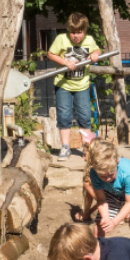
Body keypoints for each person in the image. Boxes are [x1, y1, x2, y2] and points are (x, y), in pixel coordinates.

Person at [46, 12, 101, 161]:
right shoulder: (61, 39)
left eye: (79, 32)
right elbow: (50, 54)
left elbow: (97, 50)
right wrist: (65, 63)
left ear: (84, 31)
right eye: (73, 32)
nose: (76, 36)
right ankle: (65, 147)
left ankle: (87, 148)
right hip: (63, 85)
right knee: (64, 116)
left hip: (82, 85)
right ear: (68, 31)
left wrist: (95, 54)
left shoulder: (89, 40)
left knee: (84, 116)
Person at [79, 140, 130, 236]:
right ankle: (97, 248)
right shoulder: (94, 173)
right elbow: (101, 200)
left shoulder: (127, 171)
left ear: (117, 162)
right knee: (99, 226)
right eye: (103, 176)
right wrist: (105, 218)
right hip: (112, 194)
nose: (107, 179)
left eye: (111, 174)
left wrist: (114, 222)